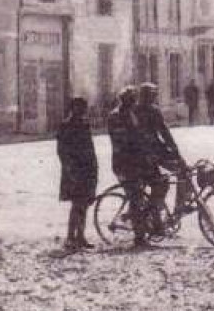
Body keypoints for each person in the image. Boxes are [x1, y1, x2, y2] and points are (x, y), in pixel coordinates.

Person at [137, 81, 191, 225]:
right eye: (150, 96)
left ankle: (179, 208)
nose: (153, 98)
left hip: (157, 151)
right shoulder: (135, 112)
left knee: (184, 170)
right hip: (144, 155)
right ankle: (154, 213)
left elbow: (164, 132)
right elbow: (142, 137)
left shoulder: (154, 110)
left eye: (154, 95)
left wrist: (177, 154)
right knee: (161, 183)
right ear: (143, 96)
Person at [106, 86, 152, 245]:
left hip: (135, 162)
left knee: (139, 197)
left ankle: (137, 224)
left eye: (135, 99)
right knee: (136, 198)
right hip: (124, 164)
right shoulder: (116, 116)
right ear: (125, 100)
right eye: (132, 99)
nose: (134, 102)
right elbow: (122, 141)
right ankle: (139, 237)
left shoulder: (132, 114)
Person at [55, 96, 98, 251]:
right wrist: (70, 169)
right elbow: (62, 151)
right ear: (72, 108)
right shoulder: (65, 126)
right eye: (78, 108)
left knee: (85, 204)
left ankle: (80, 236)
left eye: (83, 108)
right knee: (77, 204)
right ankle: (71, 237)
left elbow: (90, 148)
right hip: (74, 170)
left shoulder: (85, 124)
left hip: (87, 168)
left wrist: (94, 167)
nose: (81, 111)